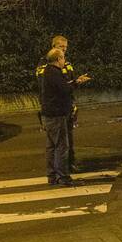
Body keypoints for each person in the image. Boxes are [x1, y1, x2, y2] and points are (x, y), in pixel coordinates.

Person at [36, 35, 89, 172]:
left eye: (65, 48)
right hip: (54, 108)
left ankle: (69, 164)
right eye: (61, 47)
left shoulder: (67, 63)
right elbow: (51, 86)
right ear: (53, 47)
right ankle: (60, 171)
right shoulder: (45, 64)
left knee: (67, 139)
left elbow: (68, 83)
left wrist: (75, 83)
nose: (64, 51)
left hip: (66, 105)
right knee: (57, 143)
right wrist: (73, 83)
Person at [40, 47, 75, 186]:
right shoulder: (54, 73)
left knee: (51, 147)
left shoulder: (46, 71)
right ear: (58, 59)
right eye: (63, 58)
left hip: (48, 114)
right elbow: (64, 90)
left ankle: (52, 176)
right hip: (56, 114)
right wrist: (76, 83)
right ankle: (63, 177)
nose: (64, 60)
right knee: (61, 146)